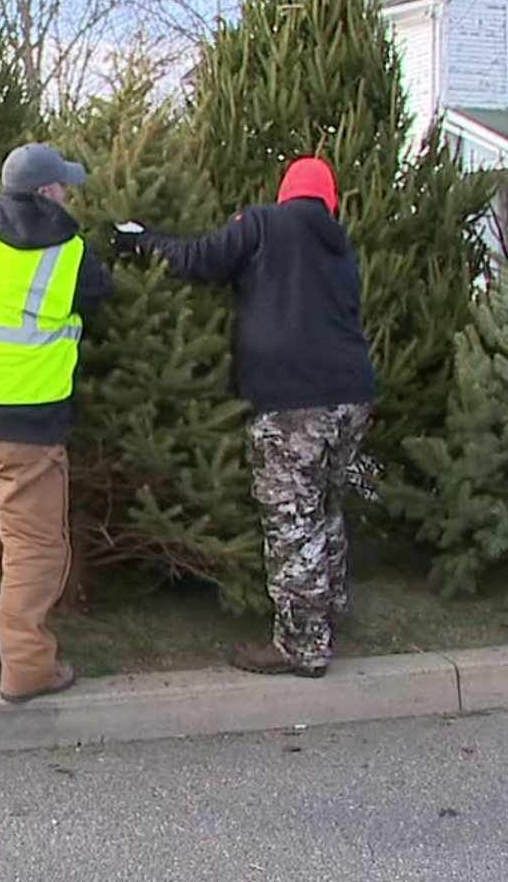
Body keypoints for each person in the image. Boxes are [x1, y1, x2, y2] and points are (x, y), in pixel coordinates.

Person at [116, 155, 374, 679]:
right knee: (325, 507)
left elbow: (198, 259)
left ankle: (302, 647)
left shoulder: (263, 223)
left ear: (286, 194)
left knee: (292, 521)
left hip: (292, 400)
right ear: (328, 200)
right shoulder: (338, 242)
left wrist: (142, 240)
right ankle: (327, 613)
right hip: (351, 396)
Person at [0, 142, 112, 704]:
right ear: (45, 192)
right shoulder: (67, 250)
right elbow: (102, 293)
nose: (68, 193)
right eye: (62, 185)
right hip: (28, 422)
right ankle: (28, 665)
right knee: (35, 544)